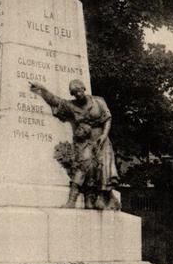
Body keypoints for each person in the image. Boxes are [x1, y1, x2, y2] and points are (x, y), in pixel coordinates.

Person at [29, 79, 120, 210]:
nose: (78, 94)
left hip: (101, 138)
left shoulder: (98, 101)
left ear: (84, 89)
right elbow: (56, 101)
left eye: (79, 91)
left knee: (102, 166)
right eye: (75, 93)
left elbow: (107, 119)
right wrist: (42, 90)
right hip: (84, 140)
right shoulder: (72, 106)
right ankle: (74, 201)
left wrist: (104, 135)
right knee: (83, 165)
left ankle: (100, 197)